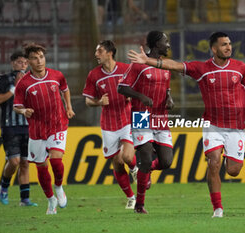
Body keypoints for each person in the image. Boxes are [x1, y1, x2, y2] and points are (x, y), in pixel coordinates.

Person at [127, 31, 245, 218]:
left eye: (229, 44)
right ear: (213, 49)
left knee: (232, 170)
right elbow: (174, 65)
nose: (229, 47)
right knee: (213, 163)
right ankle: (217, 209)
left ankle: (146, 170)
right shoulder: (201, 68)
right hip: (146, 115)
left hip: (231, 125)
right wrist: (146, 61)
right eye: (224, 44)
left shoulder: (240, 67)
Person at [13, 43, 75, 215]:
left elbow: (65, 89)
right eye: (34, 58)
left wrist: (68, 107)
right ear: (28, 61)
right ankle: (50, 199)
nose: (39, 61)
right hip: (37, 130)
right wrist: (24, 110)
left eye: (41, 56)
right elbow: (16, 106)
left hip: (58, 124)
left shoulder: (56, 75)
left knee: (56, 161)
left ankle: (59, 187)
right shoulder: (23, 83)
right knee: (41, 166)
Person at [118, 31, 174, 214]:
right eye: (165, 42)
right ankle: (140, 205)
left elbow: (166, 89)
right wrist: (141, 96)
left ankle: (146, 170)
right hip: (141, 115)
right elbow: (122, 87)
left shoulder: (165, 66)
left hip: (160, 117)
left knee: (166, 162)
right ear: (157, 44)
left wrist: (169, 99)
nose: (168, 45)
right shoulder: (138, 65)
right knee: (146, 156)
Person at [82, 40, 138, 209]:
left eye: (99, 51)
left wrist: (132, 96)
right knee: (117, 163)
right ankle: (131, 197)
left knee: (127, 157)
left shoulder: (125, 69)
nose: (96, 54)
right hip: (108, 124)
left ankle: (135, 169)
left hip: (127, 119)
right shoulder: (94, 75)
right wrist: (99, 102)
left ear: (109, 53)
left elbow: (139, 90)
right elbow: (88, 101)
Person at [0, 51, 37, 207]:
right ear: (12, 63)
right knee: (14, 161)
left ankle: (25, 199)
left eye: (25, 63)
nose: (23, 65)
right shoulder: (3, 79)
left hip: (28, 126)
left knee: (25, 163)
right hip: (10, 126)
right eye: (19, 62)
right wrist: (14, 88)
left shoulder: (33, 79)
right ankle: (4, 186)